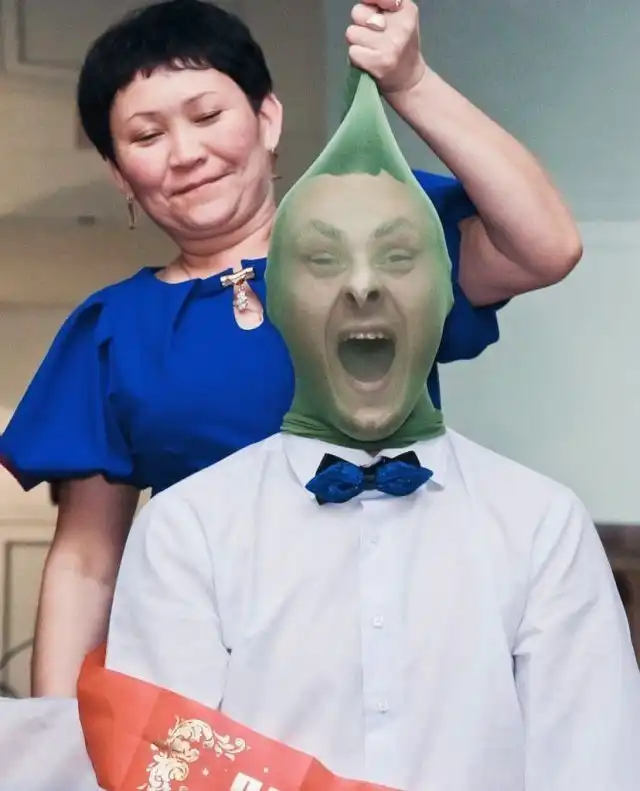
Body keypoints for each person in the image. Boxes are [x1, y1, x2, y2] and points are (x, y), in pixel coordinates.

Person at [0, 0, 582, 697]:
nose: (185, 153)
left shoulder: (372, 236)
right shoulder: (111, 330)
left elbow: (545, 247)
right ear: (120, 174)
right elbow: (87, 562)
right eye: (147, 135)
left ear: (267, 119)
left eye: (207, 116)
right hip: (217, 672)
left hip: (410, 641)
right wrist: (57, 730)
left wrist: (411, 81)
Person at [95, 68, 640, 791]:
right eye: (322, 260)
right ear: (275, 301)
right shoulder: (185, 530)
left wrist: (409, 77)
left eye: (399, 256)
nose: (361, 286)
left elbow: (593, 766)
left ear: (448, 294)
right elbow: (166, 770)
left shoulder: (542, 525)